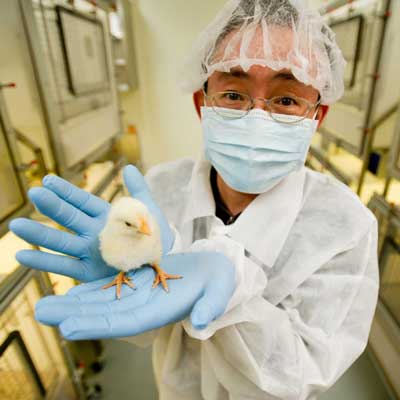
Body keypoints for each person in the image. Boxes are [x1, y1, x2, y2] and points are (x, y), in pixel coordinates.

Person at [10, 0, 379, 399]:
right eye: (234, 94)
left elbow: (303, 372)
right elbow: (147, 325)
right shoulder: (161, 190)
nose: (257, 117)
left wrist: (230, 290)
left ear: (316, 117)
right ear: (203, 104)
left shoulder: (344, 227)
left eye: (286, 100)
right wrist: (123, 275)